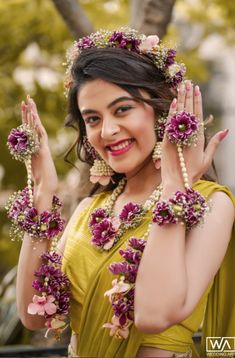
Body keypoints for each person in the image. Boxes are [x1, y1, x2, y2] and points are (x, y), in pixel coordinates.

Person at [14, 28, 235, 358]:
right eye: (92, 118)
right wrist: (44, 193)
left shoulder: (210, 204)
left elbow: (152, 315)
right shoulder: (89, 209)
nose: (107, 131)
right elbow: (33, 316)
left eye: (122, 109)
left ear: (163, 111)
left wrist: (176, 185)